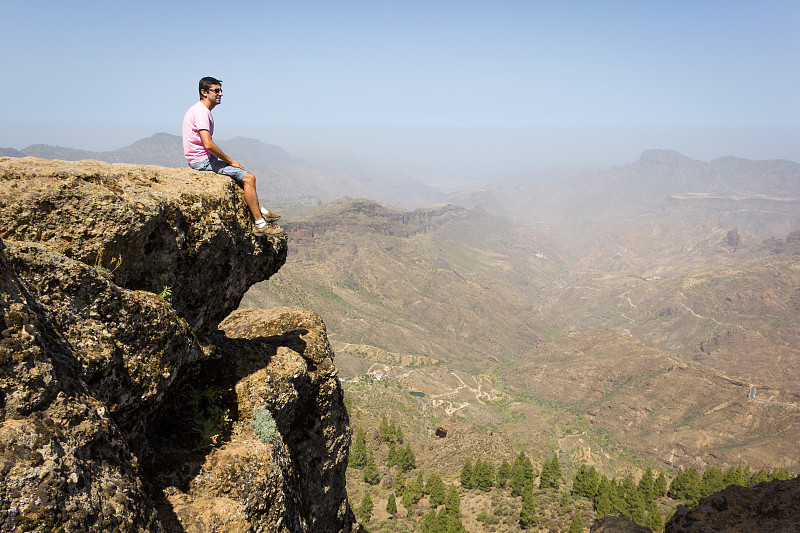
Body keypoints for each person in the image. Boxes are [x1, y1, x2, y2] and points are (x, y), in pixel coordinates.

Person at [182, 76, 283, 236]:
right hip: (203, 162)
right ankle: (260, 224)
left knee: (239, 178)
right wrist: (230, 161)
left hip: (200, 159)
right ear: (204, 92)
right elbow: (208, 144)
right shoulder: (201, 112)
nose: (220, 94)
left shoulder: (198, 110)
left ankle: (262, 210)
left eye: (220, 90)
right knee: (249, 178)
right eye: (216, 91)